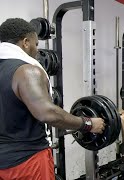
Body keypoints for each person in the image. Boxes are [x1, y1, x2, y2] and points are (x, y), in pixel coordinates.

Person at [0, 18, 105, 179]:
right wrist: (88, 124)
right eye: (36, 45)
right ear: (26, 42)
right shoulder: (26, 71)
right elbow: (47, 113)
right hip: (28, 161)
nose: (37, 51)